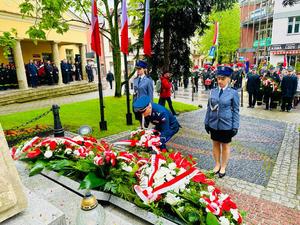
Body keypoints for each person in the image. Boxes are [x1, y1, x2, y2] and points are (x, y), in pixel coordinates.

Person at [204, 66, 240, 178]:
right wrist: (206, 122)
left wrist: (235, 126)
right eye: (218, 78)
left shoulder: (233, 93)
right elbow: (209, 108)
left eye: (222, 79)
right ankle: (217, 164)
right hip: (214, 123)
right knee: (215, 144)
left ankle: (223, 166)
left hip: (226, 124)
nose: (220, 81)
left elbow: (236, 110)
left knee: (225, 146)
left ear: (228, 79)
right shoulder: (213, 91)